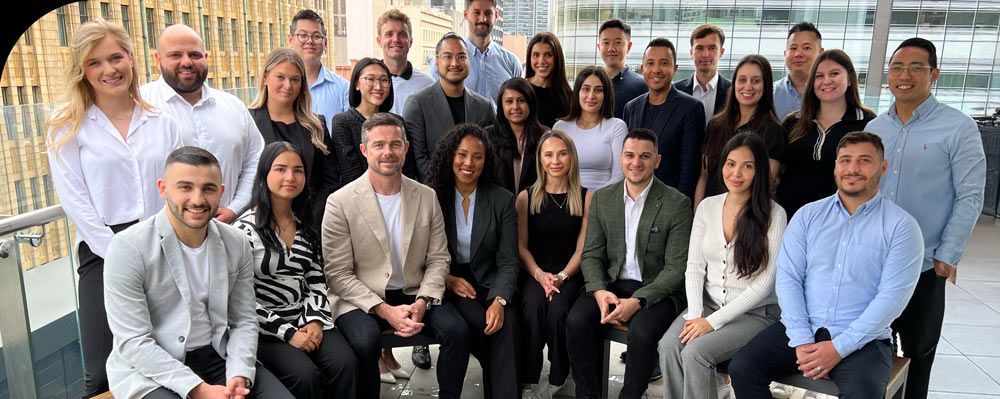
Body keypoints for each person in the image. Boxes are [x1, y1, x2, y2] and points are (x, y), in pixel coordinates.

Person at [45, 19, 185, 397]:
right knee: (102, 371)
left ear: (131, 58)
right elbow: (76, 202)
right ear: (82, 72)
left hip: (163, 244)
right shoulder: (66, 128)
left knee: (169, 354)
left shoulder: (163, 121)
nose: (109, 70)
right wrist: (121, 255)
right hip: (103, 251)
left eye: (115, 57)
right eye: (95, 63)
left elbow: (178, 190)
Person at [729, 132, 924, 399]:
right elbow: (789, 278)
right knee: (743, 368)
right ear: (835, 166)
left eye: (864, 160)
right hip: (802, 328)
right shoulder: (808, 215)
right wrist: (801, 339)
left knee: (863, 393)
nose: (852, 169)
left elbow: (892, 299)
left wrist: (839, 348)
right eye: (845, 160)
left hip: (863, 340)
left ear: (883, 167)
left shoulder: (902, 227)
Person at [103, 146, 294, 399]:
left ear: (221, 192)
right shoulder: (128, 247)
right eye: (185, 187)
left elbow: (244, 320)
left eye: (208, 188)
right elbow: (134, 341)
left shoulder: (235, 242)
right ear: (163, 189)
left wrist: (239, 374)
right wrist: (199, 390)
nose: (197, 199)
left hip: (219, 354)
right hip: (154, 366)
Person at [866, 38, 987, 399]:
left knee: (918, 353)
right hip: (875, 261)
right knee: (872, 350)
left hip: (924, 264)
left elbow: (970, 195)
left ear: (933, 74)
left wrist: (947, 255)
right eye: (897, 67)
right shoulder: (875, 130)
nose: (905, 75)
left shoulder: (958, 128)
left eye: (915, 67)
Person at [323, 113, 471, 399]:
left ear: (406, 147)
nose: (387, 152)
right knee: (365, 340)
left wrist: (423, 300)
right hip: (361, 297)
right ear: (364, 150)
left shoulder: (426, 196)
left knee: (457, 331)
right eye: (378, 145)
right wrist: (385, 310)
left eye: (395, 144)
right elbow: (338, 274)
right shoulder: (340, 202)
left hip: (415, 290)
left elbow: (439, 258)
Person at [566, 128, 693, 399]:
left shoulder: (677, 203)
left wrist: (638, 301)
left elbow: (676, 268)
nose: (636, 162)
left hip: (656, 290)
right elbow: (591, 254)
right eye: (630, 155)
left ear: (657, 161)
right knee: (576, 321)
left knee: (642, 333)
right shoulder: (603, 198)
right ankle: (587, 395)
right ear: (620, 157)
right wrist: (599, 291)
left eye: (645, 156)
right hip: (611, 282)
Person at [658, 132, 787, 399]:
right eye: (731, 163)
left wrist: (711, 323)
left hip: (754, 315)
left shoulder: (775, 214)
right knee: (668, 346)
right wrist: (695, 315)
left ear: (759, 170)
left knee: (696, 352)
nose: (736, 173)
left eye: (747, 166)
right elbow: (694, 266)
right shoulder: (707, 206)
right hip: (706, 306)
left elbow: (764, 284)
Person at [235, 142, 356, 398]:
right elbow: (240, 298)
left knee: (344, 363)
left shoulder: (305, 226)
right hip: (264, 329)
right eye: (280, 169)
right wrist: (288, 333)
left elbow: (315, 280)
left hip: (304, 316)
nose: (290, 177)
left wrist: (314, 320)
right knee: (305, 376)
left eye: (298, 170)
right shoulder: (242, 230)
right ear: (264, 174)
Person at [427, 124, 520, 399]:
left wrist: (500, 300)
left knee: (507, 325)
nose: (469, 163)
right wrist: (446, 278)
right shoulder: (432, 196)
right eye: (462, 155)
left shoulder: (502, 200)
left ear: (486, 160)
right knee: (484, 325)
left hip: (490, 280)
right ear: (450, 156)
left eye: (477, 156)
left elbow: (508, 260)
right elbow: (420, 254)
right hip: (451, 281)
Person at [141, 24, 263, 224]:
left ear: (206, 57)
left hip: (227, 231)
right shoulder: (140, 107)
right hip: (162, 238)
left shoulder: (233, 106)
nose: (186, 62)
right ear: (157, 58)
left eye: (195, 55)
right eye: (175, 55)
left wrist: (235, 208)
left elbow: (255, 159)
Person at [516, 130, 592, 396]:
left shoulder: (585, 197)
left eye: (562, 153)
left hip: (569, 272)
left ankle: (559, 376)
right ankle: (529, 378)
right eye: (549, 154)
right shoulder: (526, 197)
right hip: (534, 270)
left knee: (559, 312)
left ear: (571, 157)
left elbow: (582, 249)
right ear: (540, 159)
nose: (555, 160)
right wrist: (540, 276)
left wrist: (560, 277)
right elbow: (521, 247)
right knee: (533, 310)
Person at [777, 49, 875, 217]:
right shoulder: (793, 122)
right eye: (819, 76)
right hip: (791, 218)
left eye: (834, 73)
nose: (826, 81)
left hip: (842, 221)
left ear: (850, 79)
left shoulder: (868, 123)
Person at [248, 48, 340, 227]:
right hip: (262, 221)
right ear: (266, 77)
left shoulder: (316, 125)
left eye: (295, 79)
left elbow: (329, 182)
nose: (288, 85)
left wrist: (312, 219)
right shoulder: (248, 121)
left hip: (310, 223)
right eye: (280, 77)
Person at [694, 54, 784, 207]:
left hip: (748, 217)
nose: (748, 86)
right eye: (742, 80)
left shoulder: (773, 131)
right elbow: (704, 176)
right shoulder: (716, 124)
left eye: (755, 81)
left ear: (766, 86)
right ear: (734, 83)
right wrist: (698, 213)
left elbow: (764, 184)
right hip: (711, 212)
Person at [622, 37, 706, 200]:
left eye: (664, 63)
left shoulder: (691, 108)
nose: (656, 69)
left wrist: (679, 207)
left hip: (670, 202)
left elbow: (689, 170)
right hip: (634, 198)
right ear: (642, 69)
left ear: (675, 68)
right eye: (650, 63)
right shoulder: (631, 108)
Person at [404, 32, 495, 182]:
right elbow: (418, 159)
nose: (455, 63)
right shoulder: (417, 104)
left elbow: (488, 156)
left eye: (461, 57)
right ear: (436, 62)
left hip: (475, 194)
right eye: (447, 56)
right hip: (433, 194)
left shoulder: (484, 107)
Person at [429, 0, 521, 104]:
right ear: (465, 15)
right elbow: (432, 103)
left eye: (488, 13)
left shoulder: (511, 62)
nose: (483, 19)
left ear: (496, 15)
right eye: (477, 12)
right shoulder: (443, 63)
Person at [553, 67, 627, 191]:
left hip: (605, 200)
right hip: (568, 199)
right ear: (577, 92)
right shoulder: (560, 127)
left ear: (606, 95)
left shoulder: (617, 126)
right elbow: (554, 173)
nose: (591, 96)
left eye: (598, 90)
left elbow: (619, 175)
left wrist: (590, 199)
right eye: (586, 89)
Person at [330, 57, 395, 186]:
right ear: (356, 84)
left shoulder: (397, 122)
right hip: (358, 198)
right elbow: (350, 173)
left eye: (384, 80)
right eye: (370, 79)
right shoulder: (342, 122)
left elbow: (406, 169)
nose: (378, 86)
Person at [287, 9, 350, 130]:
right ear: (290, 40)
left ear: (325, 43)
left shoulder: (343, 89)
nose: (309, 41)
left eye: (316, 36)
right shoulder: (279, 88)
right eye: (303, 35)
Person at [489, 77, 546, 194]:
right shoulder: (488, 136)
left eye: (521, 100)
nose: (515, 107)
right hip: (500, 208)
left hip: (535, 206)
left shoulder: (545, 137)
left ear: (531, 102)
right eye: (509, 101)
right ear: (501, 105)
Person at [376, 9, 435, 116]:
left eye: (402, 34)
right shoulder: (368, 84)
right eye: (389, 34)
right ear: (379, 41)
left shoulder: (428, 85)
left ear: (410, 41)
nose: (396, 39)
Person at [674, 24, 732, 120]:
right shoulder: (675, 91)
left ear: (721, 52)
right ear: (691, 53)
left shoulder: (733, 91)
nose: (705, 54)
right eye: (699, 48)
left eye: (712, 48)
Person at [597, 19, 648, 119]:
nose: (611, 48)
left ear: (628, 46)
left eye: (618, 42)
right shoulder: (589, 81)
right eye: (606, 42)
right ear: (599, 46)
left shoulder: (641, 85)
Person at [773, 22, 824, 120]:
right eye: (793, 48)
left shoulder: (829, 94)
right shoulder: (768, 94)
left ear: (821, 53)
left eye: (806, 48)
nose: (798, 54)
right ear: (785, 54)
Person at [525, 32, 572, 127]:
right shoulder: (521, 90)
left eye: (548, 55)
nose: (541, 61)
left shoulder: (568, 96)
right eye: (536, 55)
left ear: (557, 58)